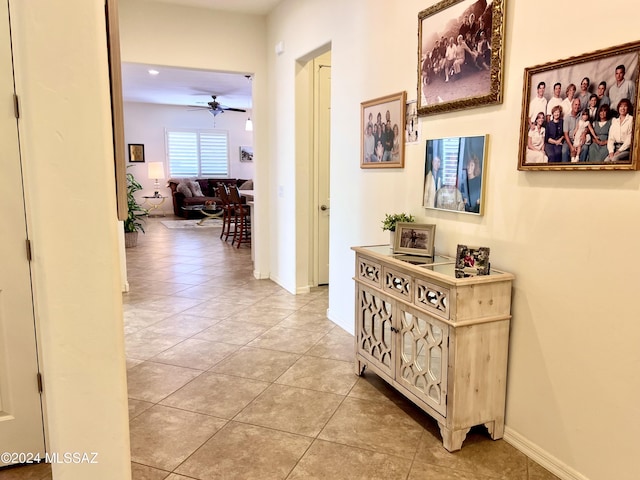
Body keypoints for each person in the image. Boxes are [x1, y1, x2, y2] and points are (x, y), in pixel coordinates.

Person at [562, 98, 585, 162]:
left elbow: (587, 126)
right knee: (564, 150)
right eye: (575, 104)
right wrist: (571, 146)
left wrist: (584, 133)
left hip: (578, 139)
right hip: (569, 140)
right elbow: (565, 134)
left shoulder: (581, 116)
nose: (577, 106)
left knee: (585, 148)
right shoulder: (567, 118)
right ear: (572, 105)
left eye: (578, 105)